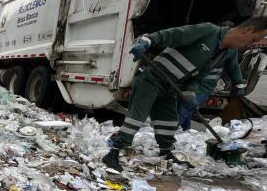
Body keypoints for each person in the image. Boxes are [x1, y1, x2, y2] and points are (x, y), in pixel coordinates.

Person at [102, 17, 267, 171]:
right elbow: (174, 35)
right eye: (252, 40)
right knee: (136, 118)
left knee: (168, 121)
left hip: (171, 88)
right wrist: (147, 41)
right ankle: (113, 153)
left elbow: (197, 77)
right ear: (247, 30)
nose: (248, 45)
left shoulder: (223, 52)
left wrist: (190, 94)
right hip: (151, 80)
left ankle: (166, 153)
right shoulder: (208, 31)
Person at [177, 22, 246, 130]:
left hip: (205, 87)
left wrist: (239, 83)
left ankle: (172, 131)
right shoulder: (211, 41)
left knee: (185, 108)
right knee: (185, 107)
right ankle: (184, 131)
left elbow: (233, 67)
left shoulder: (231, 49)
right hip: (190, 83)